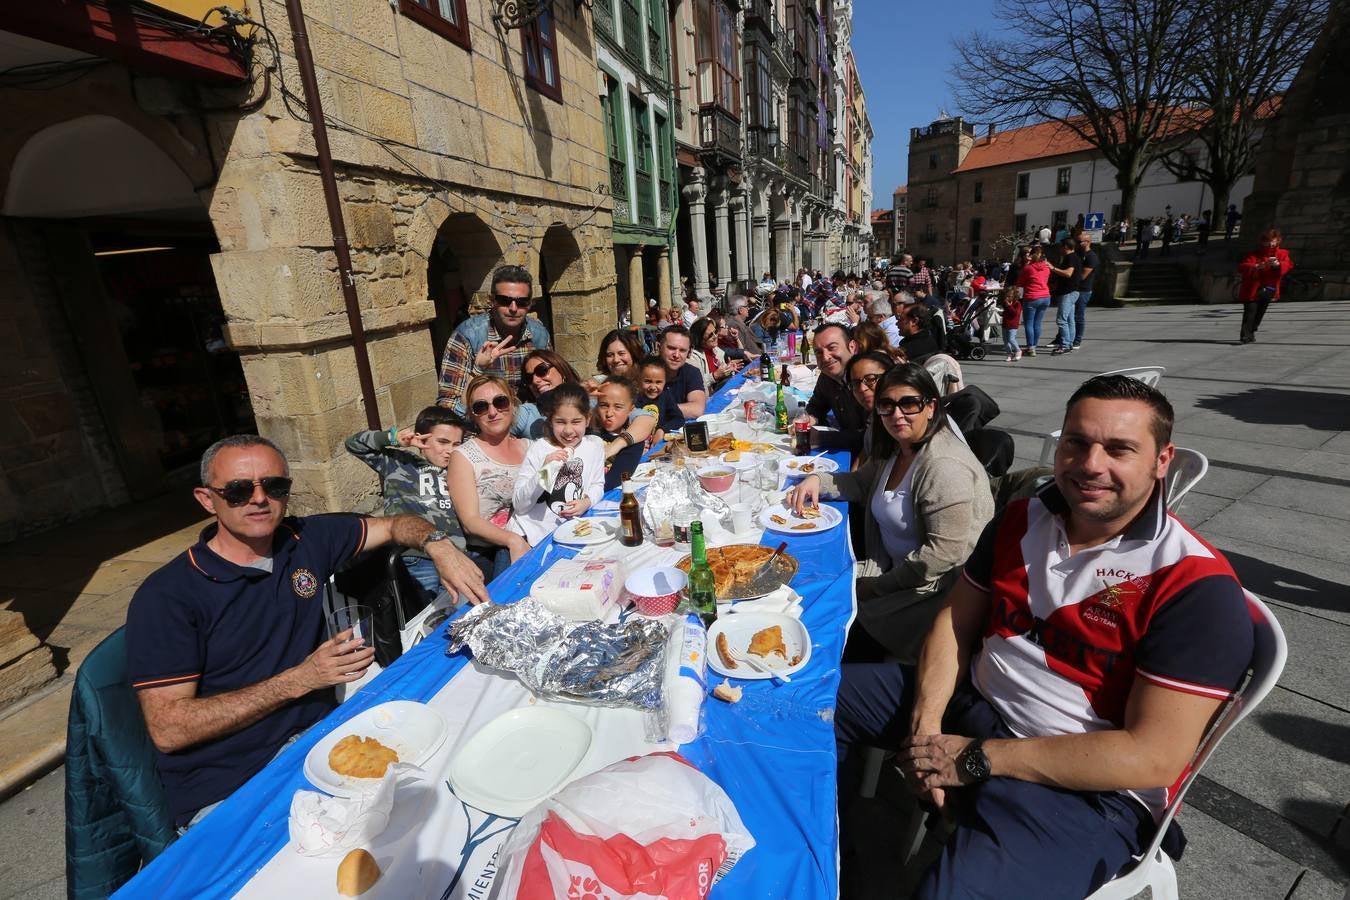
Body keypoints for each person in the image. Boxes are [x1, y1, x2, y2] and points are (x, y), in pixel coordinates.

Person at [834, 375, 1253, 898]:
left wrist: (975, 757)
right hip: (977, 703)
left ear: (1162, 460)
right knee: (798, 701)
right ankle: (825, 849)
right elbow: (955, 621)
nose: (1091, 464)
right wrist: (926, 729)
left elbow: (1154, 756)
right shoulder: (1023, 516)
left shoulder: (1195, 586)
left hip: (1082, 783)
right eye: (1077, 442)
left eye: (1119, 449)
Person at [126, 435, 489, 831]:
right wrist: (301, 679)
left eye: (274, 486)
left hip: (321, 743)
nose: (259, 498)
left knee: (451, 789)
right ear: (206, 499)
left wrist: (439, 547)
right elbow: (169, 729)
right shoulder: (168, 596)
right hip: (231, 785)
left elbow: (396, 525)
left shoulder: (304, 539)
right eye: (238, 490)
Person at [789, 364, 993, 663]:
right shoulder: (900, 448)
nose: (897, 414)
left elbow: (940, 557)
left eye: (908, 403)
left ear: (930, 406)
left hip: (929, 596)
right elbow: (860, 481)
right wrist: (818, 480)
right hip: (889, 570)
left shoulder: (944, 466)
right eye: (887, 405)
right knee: (810, 579)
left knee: (823, 622)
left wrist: (873, 587)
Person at [343, 406, 471, 595]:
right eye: (442, 442)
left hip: (457, 554)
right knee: (427, 615)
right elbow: (354, 444)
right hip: (416, 555)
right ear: (421, 438)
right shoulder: (399, 463)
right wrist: (392, 438)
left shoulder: (461, 468)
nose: (450, 451)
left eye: (456, 444)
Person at [447, 375, 531, 577]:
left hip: (534, 538)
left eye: (500, 402)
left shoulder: (530, 447)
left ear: (512, 403)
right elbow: (471, 521)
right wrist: (512, 540)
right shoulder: (464, 456)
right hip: (493, 552)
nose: (492, 412)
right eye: (481, 407)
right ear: (473, 415)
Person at [437, 265, 552, 413]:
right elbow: (447, 405)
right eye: (504, 300)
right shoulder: (468, 335)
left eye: (521, 302)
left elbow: (555, 385)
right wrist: (478, 369)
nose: (513, 308)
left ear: (529, 305)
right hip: (483, 423)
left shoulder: (538, 335)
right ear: (492, 301)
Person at [510, 382, 606, 545]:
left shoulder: (594, 447)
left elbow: (598, 484)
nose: (568, 431)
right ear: (550, 420)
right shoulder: (539, 449)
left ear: (588, 419)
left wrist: (586, 502)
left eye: (576, 422)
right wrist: (546, 471)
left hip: (569, 533)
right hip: (528, 535)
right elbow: (520, 506)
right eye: (560, 422)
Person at [806, 323, 867, 454]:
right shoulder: (827, 376)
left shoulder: (868, 380)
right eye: (818, 352)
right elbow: (816, 407)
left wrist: (820, 438)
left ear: (852, 346)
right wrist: (810, 419)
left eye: (832, 348)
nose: (825, 357)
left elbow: (870, 437)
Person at [1236, 228, 1293, 344]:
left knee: (1260, 313)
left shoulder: (1282, 254)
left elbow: (1288, 265)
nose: (1271, 243)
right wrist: (1256, 266)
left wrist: (1278, 265)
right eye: (1268, 241)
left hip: (1269, 288)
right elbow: (1242, 267)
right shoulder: (1254, 254)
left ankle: (1252, 330)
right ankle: (1245, 336)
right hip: (1252, 289)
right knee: (1250, 312)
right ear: (1262, 242)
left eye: (1274, 241)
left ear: (1278, 241)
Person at [590, 377, 647, 490]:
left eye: (618, 407)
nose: (609, 413)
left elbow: (615, 479)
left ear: (631, 410)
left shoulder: (634, 442)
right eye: (604, 405)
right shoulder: (587, 433)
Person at [514, 348, 583, 438]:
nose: (535, 380)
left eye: (542, 370)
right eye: (528, 378)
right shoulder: (526, 413)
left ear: (561, 370)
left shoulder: (589, 403)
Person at [845, 350, 897, 464]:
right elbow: (866, 452)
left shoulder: (900, 423)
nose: (862, 388)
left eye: (870, 379)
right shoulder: (875, 415)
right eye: (855, 383)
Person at [657, 325, 708, 418]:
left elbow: (697, 409)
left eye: (682, 350)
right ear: (659, 347)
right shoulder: (644, 372)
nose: (676, 355)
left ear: (688, 352)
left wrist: (656, 410)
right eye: (671, 348)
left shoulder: (692, 372)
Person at [1014, 243, 1053, 356]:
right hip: (1045, 296)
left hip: (1032, 297)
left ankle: (1031, 347)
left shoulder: (1028, 268)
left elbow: (1020, 284)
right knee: (1037, 323)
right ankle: (1033, 346)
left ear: (1031, 256)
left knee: (1029, 323)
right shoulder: (1046, 267)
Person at [636, 355, 684, 443]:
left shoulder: (666, 396)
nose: (653, 387)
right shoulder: (635, 399)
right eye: (648, 381)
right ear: (639, 380)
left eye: (658, 382)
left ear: (665, 381)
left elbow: (679, 419)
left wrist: (662, 430)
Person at [688, 317, 744, 390]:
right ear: (700, 339)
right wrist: (714, 376)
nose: (715, 336)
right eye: (710, 335)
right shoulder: (693, 357)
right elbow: (694, 383)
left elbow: (722, 374)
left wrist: (729, 369)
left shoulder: (716, 351)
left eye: (715, 332)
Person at [1051, 237, 1083, 354]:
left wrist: (1053, 268)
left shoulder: (1070, 257)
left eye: (1061, 246)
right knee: (1070, 319)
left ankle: (1064, 345)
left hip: (1068, 292)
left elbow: (1068, 273)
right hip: (1073, 291)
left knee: (1061, 320)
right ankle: (1069, 343)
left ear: (1065, 247)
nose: (1059, 249)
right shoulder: (1076, 257)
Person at [999, 285, 1022, 362]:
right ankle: (1009, 353)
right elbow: (1006, 312)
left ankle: (1018, 351)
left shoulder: (1017, 304)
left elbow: (1015, 313)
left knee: (1011, 339)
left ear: (1014, 296)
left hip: (1013, 325)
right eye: (1007, 296)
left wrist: (1008, 306)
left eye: (1010, 296)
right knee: (1005, 340)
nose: (1008, 298)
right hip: (1005, 323)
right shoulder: (1005, 303)